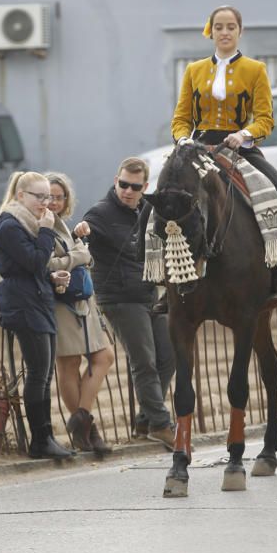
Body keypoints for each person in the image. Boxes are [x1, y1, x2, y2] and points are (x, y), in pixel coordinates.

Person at [171, 4, 277, 296]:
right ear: (211, 31)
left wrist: (243, 134)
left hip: (239, 147)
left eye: (231, 27)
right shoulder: (194, 70)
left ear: (240, 31)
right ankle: (163, 275)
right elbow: (181, 119)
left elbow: (265, 120)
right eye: (219, 27)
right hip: (198, 147)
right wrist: (183, 141)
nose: (225, 32)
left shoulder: (255, 70)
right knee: (163, 198)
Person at [79, 157, 176, 449]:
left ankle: (145, 420)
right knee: (144, 361)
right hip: (119, 298)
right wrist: (79, 231)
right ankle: (161, 424)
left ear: (145, 187)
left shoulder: (149, 210)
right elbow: (80, 237)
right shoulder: (99, 214)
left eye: (135, 186)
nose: (128, 191)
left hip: (150, 293)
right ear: (115, 181)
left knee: (168, 357)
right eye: (123, 184)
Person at [0, 171, 74, 460]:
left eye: (48, 197)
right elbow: (34, 260)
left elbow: (34, 267)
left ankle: (45, 437)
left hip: (37, 299)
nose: (45, 203)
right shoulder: (10, 225)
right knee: (37, 373)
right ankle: (40, 441)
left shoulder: (26, 223)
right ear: (21, 195)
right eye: (40, 196)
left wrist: (51, 277)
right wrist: (46, 231)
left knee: (45, 373)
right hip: (23, 304)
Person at [44, 172, 115, 455]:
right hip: (61, 303)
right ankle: (88, 431)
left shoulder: (61, 225)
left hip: (82, 302)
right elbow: (48, 263)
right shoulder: (41, 226)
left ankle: (81, 421)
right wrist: (80, 255)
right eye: (48, 196)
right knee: (69, 365)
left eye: (59, 197)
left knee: (105, 356)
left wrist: (78, 243)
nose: (54, 201)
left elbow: (78, 257)